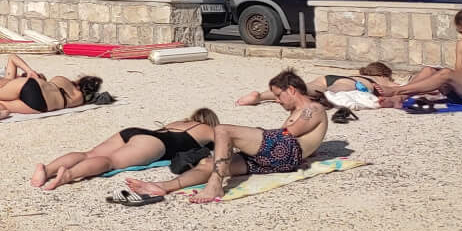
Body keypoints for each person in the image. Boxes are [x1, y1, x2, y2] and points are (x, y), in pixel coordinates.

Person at [124, 69, 328, 204]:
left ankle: (215, 186)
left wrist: (253, 135)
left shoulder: (313, 108)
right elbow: (305, 140)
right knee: (209, 163)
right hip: (279, 157)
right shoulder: (297, 112)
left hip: (284, 152)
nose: (276, 101)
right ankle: (162, 187)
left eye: (278, 95)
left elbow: (291, 133)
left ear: (291, 90)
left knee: (223, 130)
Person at [31, 109, 218, 191]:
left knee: (89, 154)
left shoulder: (180, 122)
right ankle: (68, 175)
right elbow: (225, 139)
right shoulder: (209, 130)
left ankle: (47, 169)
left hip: (135, 132)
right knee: (110, 162)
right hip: (156, 144)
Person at [365, 9, 462, 108]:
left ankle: (398, 91)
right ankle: (399, 99)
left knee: (446, 73)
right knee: (429, 70)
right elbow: (457, 74)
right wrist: (439, 84)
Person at [237, 62, 392, 110]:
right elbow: (393, 86)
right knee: (332, 93)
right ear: (383, 73)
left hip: (327, 77)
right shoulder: (379, 78)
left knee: (304, 88)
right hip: (353, 84)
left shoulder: (358, 74)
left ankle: (261, 96)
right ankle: (318, 102)